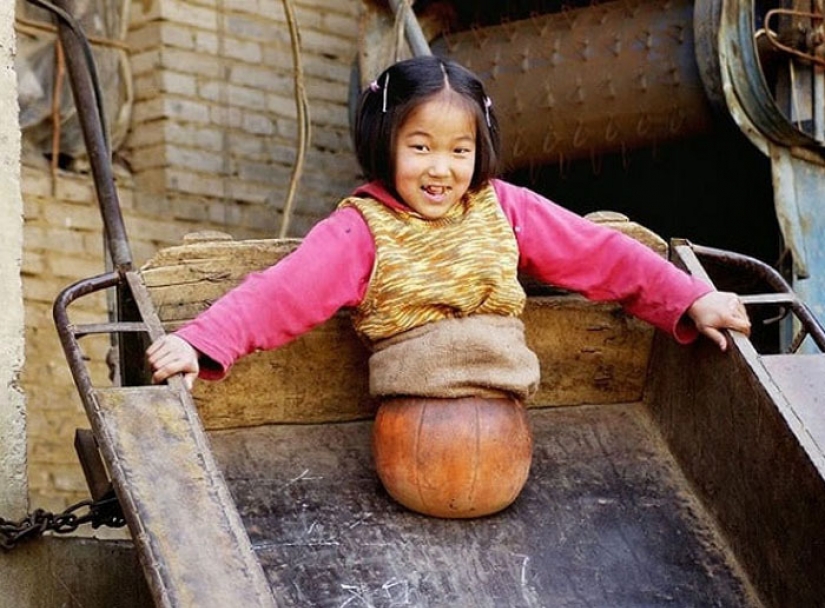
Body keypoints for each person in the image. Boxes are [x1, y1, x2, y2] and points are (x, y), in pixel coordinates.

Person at [147, 56, 750, 391]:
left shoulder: (503, 207)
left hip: (507, 411)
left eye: (460, 150)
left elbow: (601, 254)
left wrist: (691, 298)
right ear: (385, 144)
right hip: (417, 428)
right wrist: (203, 341)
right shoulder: (361, 231)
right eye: (420, 148)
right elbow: (282, 292)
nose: (442, 169)